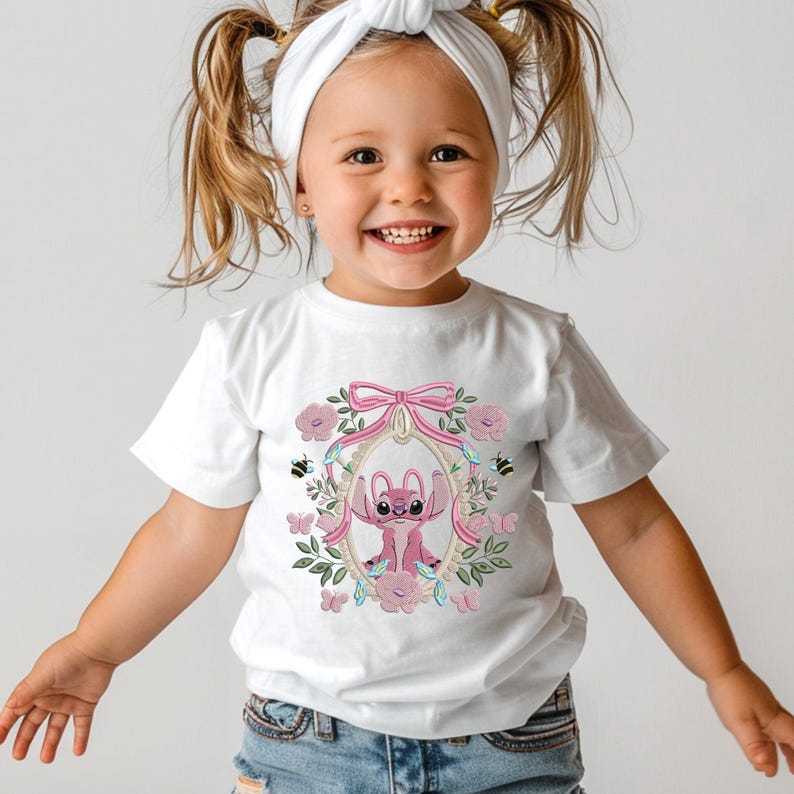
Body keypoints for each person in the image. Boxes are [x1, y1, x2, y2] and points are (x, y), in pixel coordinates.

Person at [1, 1, 792, 791]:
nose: (408, 186)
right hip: (307, 741)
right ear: (301, 181)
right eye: (363, 156)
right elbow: (185, 533)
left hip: (511, 741)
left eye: (447, 151)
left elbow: (635, 525)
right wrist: (93, 646)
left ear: (497, 165)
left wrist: (722, 670)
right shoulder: (252, 352)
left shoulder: (535, 349)